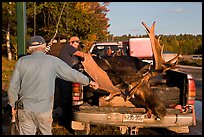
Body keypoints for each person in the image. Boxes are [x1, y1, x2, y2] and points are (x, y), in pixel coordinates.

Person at [7, 35, 99, 135]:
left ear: (29, 48)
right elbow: (72, 74)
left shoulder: (21, 62)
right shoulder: (53, 61)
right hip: (44, 109)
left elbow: (13, 87)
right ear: (44, 46)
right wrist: (89, 81)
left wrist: (13, 105)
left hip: (25, 109)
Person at [57, 36, 88, 132]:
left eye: (78, 42)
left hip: (68, 77)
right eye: (76, 42)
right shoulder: (68, 47)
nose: (77, 44)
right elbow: (80, 54)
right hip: (65, 78)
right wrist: (89, 56)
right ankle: (65, 120)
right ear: (71, 42)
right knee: (66, 99)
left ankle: (66, 118)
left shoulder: (70, 51)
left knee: (68, 99)